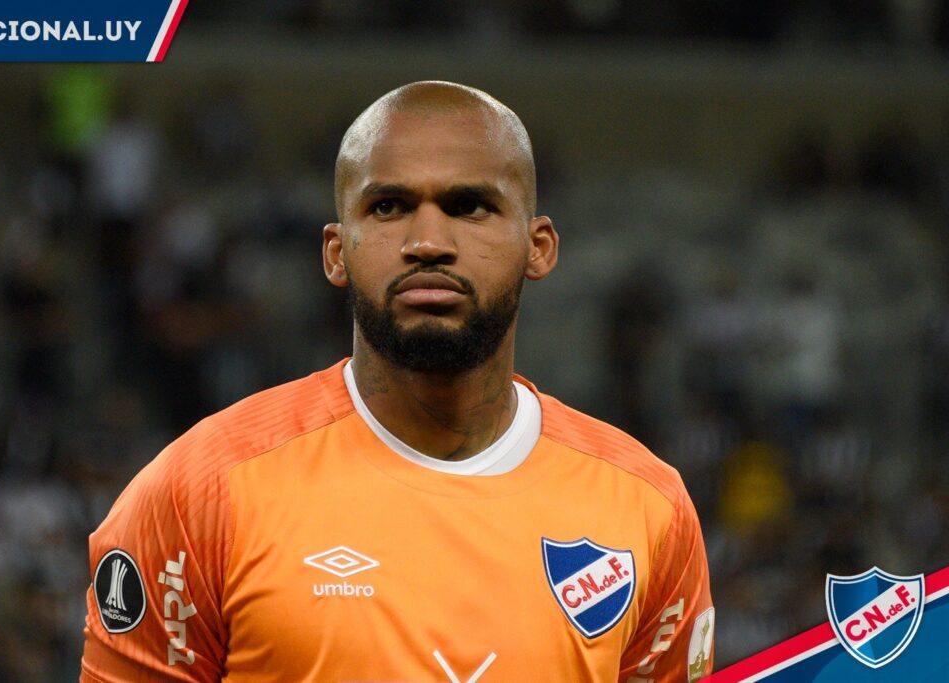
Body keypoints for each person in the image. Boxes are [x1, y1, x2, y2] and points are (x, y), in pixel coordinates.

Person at [80, 81, 714, 682]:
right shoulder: (197, 493)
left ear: (538, 246)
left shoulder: (649, 510)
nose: (428, 242)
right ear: (336, 252)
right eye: (389, 207)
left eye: (470, 206)